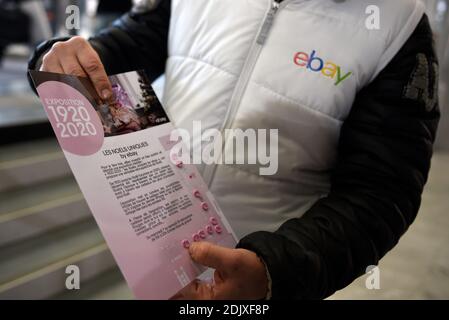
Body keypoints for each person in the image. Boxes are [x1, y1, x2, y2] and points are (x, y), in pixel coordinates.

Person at [28, 0, 440, 299]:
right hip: (162, 262)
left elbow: (382, 192)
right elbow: (129, 44)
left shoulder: (397, 24)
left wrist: (274, 270)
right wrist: (64, 62)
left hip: (269, 281)